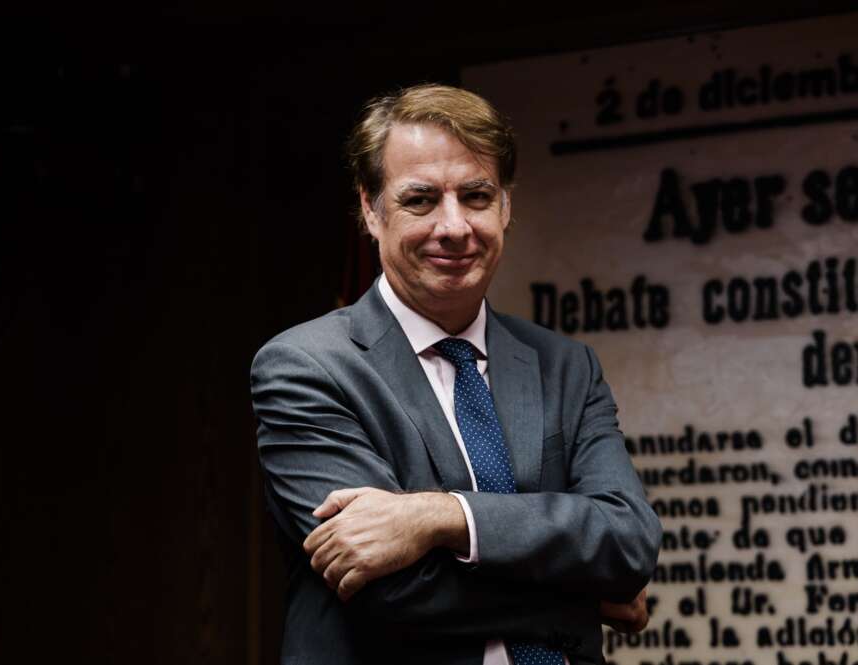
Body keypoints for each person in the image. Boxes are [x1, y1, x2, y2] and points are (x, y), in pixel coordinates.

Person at [250, 84, 662, 665]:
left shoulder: (566, 366)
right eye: (421, 200)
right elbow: (388, 588)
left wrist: (442, 516)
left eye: (476, 196)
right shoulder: (306, 368)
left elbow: (628, 542)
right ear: (371, 208)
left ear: (507, 206)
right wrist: (580, 600)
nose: (454, 226)